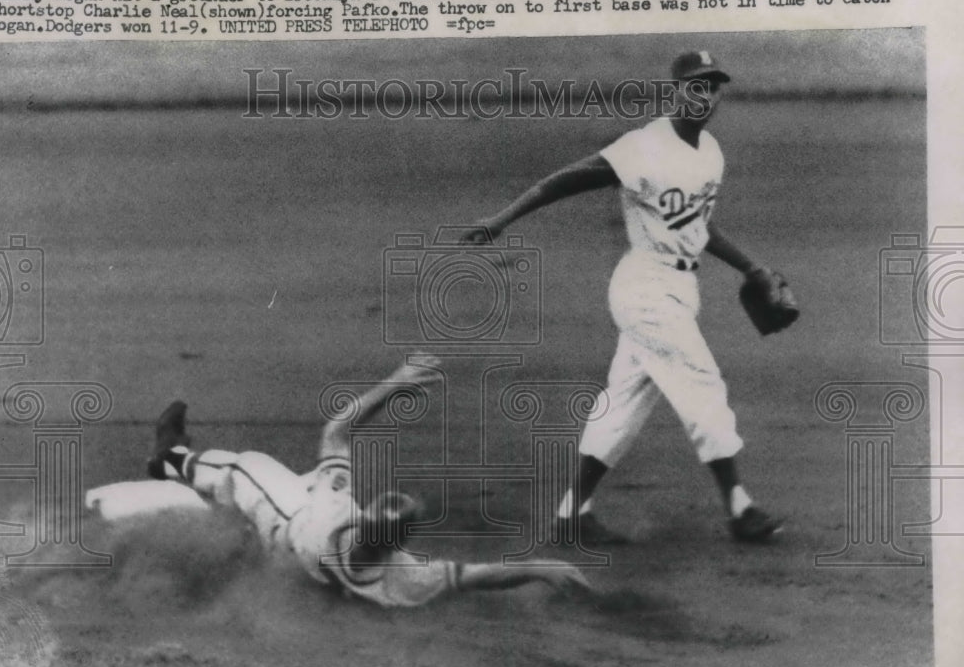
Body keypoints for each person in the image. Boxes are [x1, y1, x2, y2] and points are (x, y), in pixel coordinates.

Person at [462, 51, 788, 545]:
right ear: (675, 91)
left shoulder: (710, 153)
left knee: (624, 402)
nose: (704, 96)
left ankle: (572, 513)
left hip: (681, 289)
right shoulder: (643, 147)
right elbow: (565, 180)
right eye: (695, 86)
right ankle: (740, 506)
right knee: (701, 382)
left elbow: (700, 225)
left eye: (713, 86)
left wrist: (752, 267)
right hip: (644, 289)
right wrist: (501, 219)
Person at [145, 355, 590, 606]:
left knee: (244, 467)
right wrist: (536, 567)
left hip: (286, 527)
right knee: (298, 483)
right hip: (309, 571)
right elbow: (476, 576)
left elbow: (336, 430)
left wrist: (397, 382)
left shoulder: (331, 514)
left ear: (364, 522)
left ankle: (171, 459)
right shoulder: (405, 579)